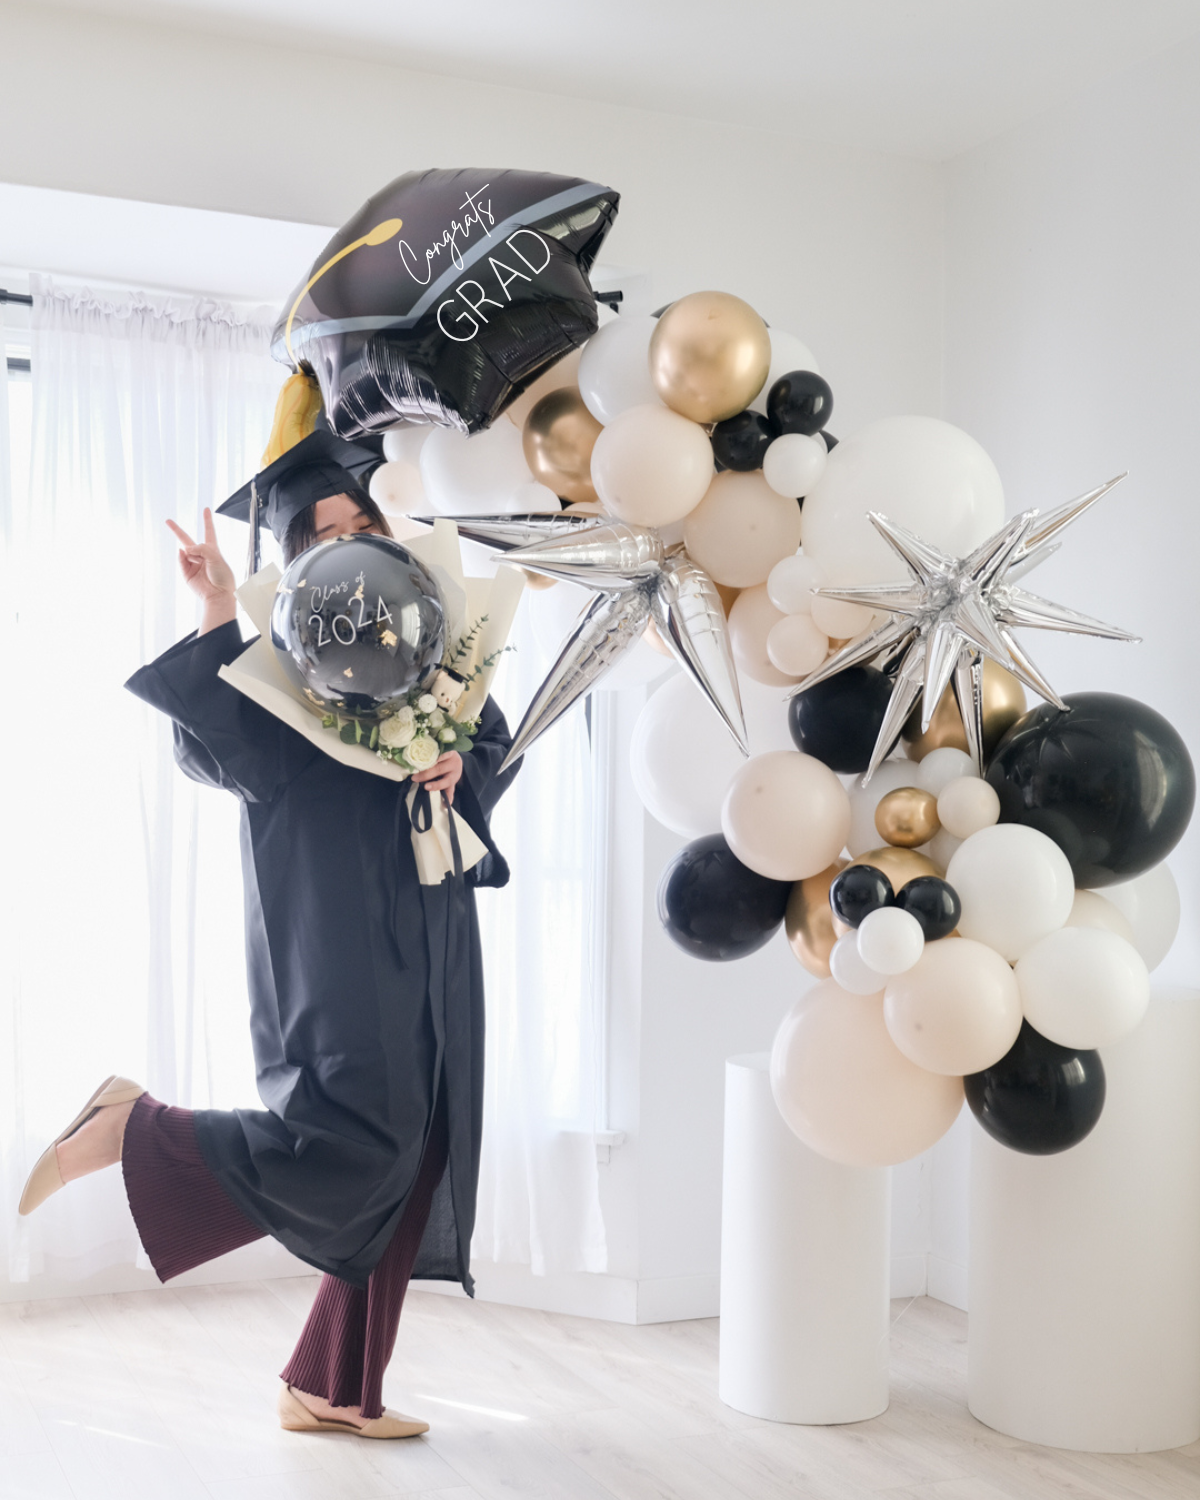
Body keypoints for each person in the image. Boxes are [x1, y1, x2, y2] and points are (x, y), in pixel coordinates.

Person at [18, 429, 520, 1439]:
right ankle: (134, 1128)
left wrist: (461, 767)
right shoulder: (284, 681)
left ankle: (330, 1387)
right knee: (356, 1145)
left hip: (431, 924)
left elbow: (494, 746)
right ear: (294, 566)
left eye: (359, 523)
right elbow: (213, 743)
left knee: (417, 1153)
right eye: (319, 533)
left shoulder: (438, 663)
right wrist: (213, 607)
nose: (346, 542)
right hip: (334, 937)